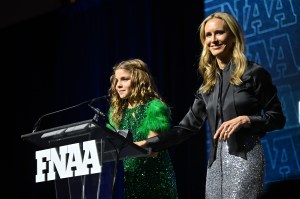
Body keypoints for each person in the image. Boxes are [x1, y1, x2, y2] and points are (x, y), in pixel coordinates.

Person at [136, 12, 286, 198]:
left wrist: (246, 120)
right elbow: (185, 128)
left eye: (219, 33)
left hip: (245, 160)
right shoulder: (208, 85)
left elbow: (277, 118)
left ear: (233, 36)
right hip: (215, 165)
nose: (213, 40)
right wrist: (148, 144)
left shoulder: (254, 73)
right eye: (208, 35)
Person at [106, 58, 178, 199]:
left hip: (156, 180)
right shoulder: (116, 113)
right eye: (116, 81)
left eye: (124, 79)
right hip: (131, 181)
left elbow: (152, 148)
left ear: (139, 80)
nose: (118, 85)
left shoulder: (154, 108)